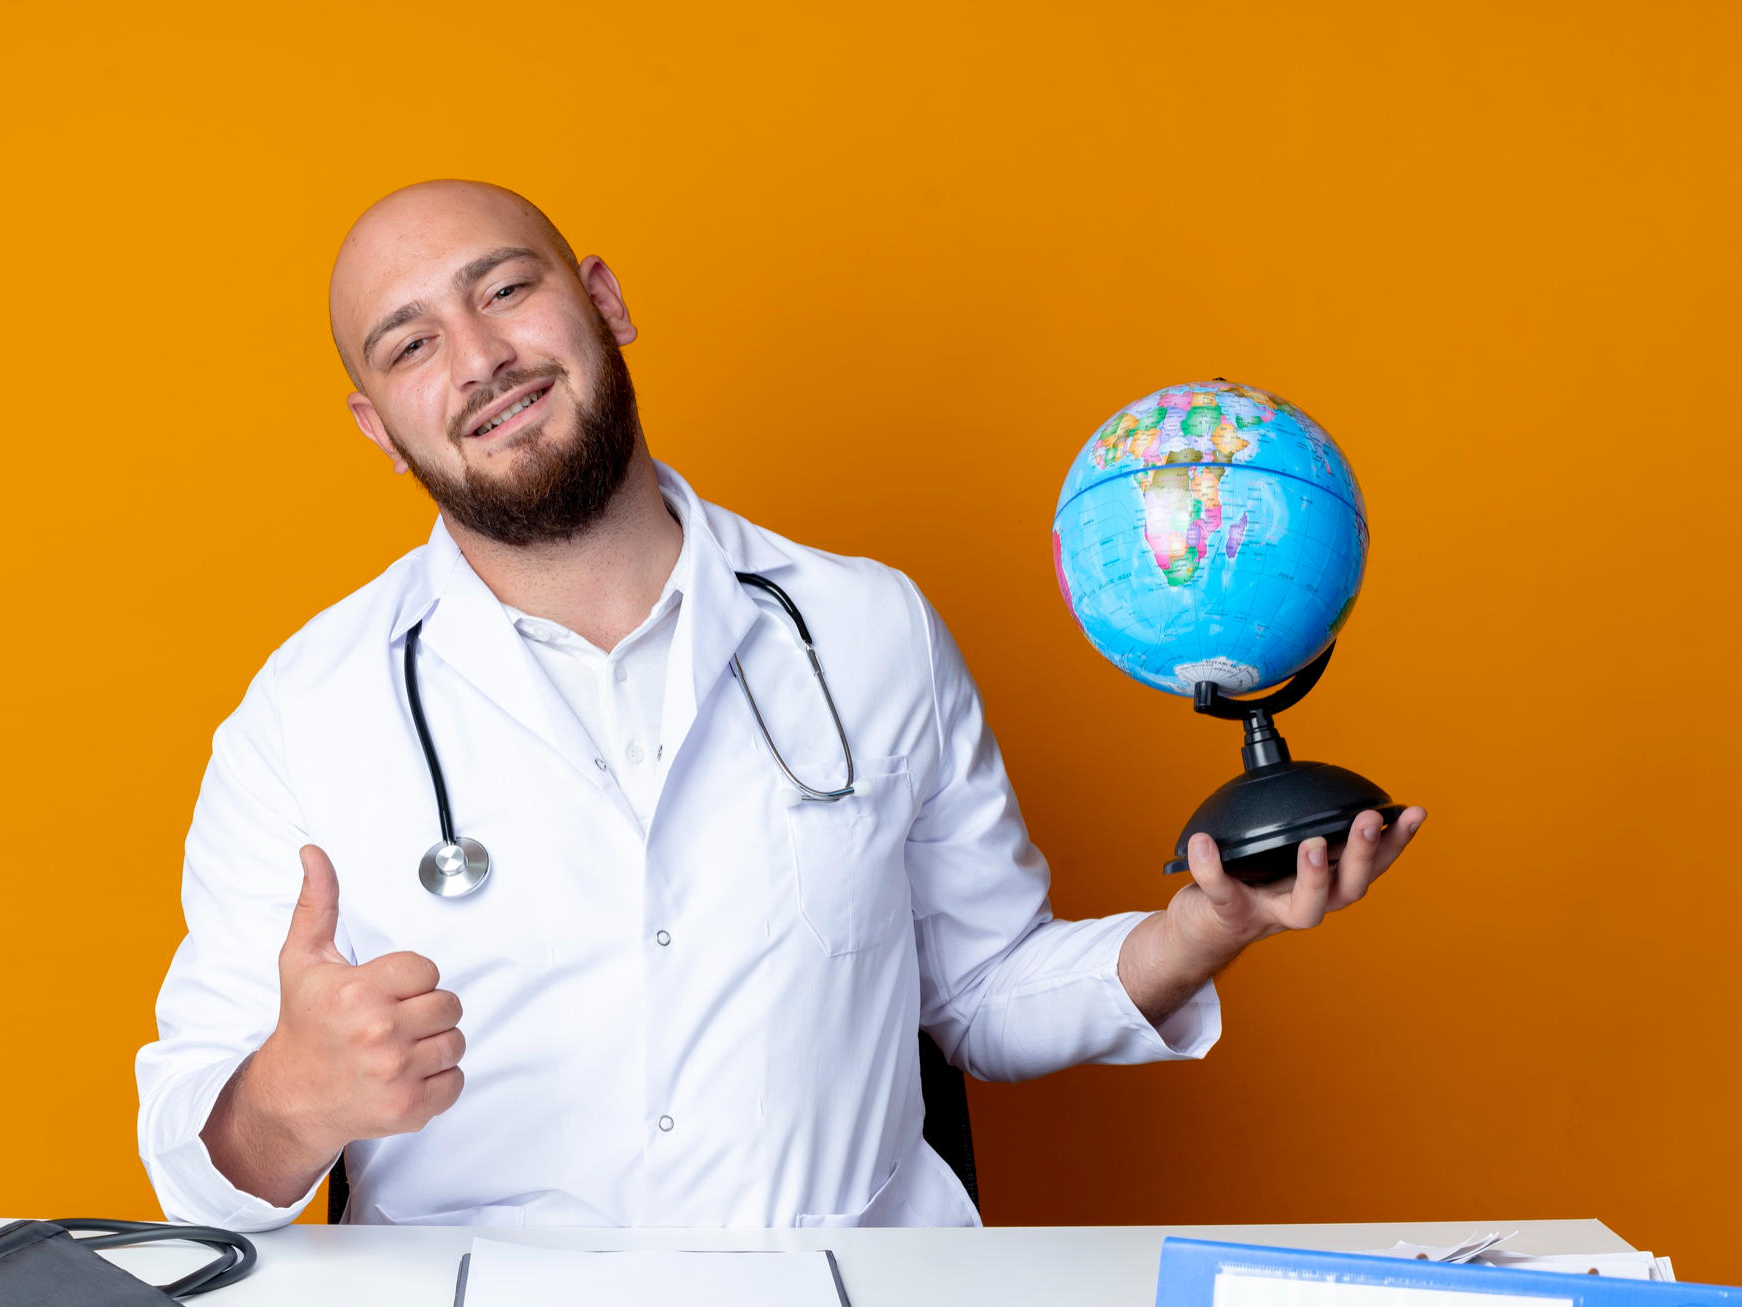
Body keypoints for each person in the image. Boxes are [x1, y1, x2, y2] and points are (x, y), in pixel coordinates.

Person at [134, 181, 1424, 1230]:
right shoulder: (306, 713)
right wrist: (293, 1102)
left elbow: (978, 993)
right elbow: (195, 1158)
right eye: (412, 344)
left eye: (507, 289)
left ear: (603, 299)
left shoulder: (869, 630)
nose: (479, 361)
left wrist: (1206, 926)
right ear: (376, 423)